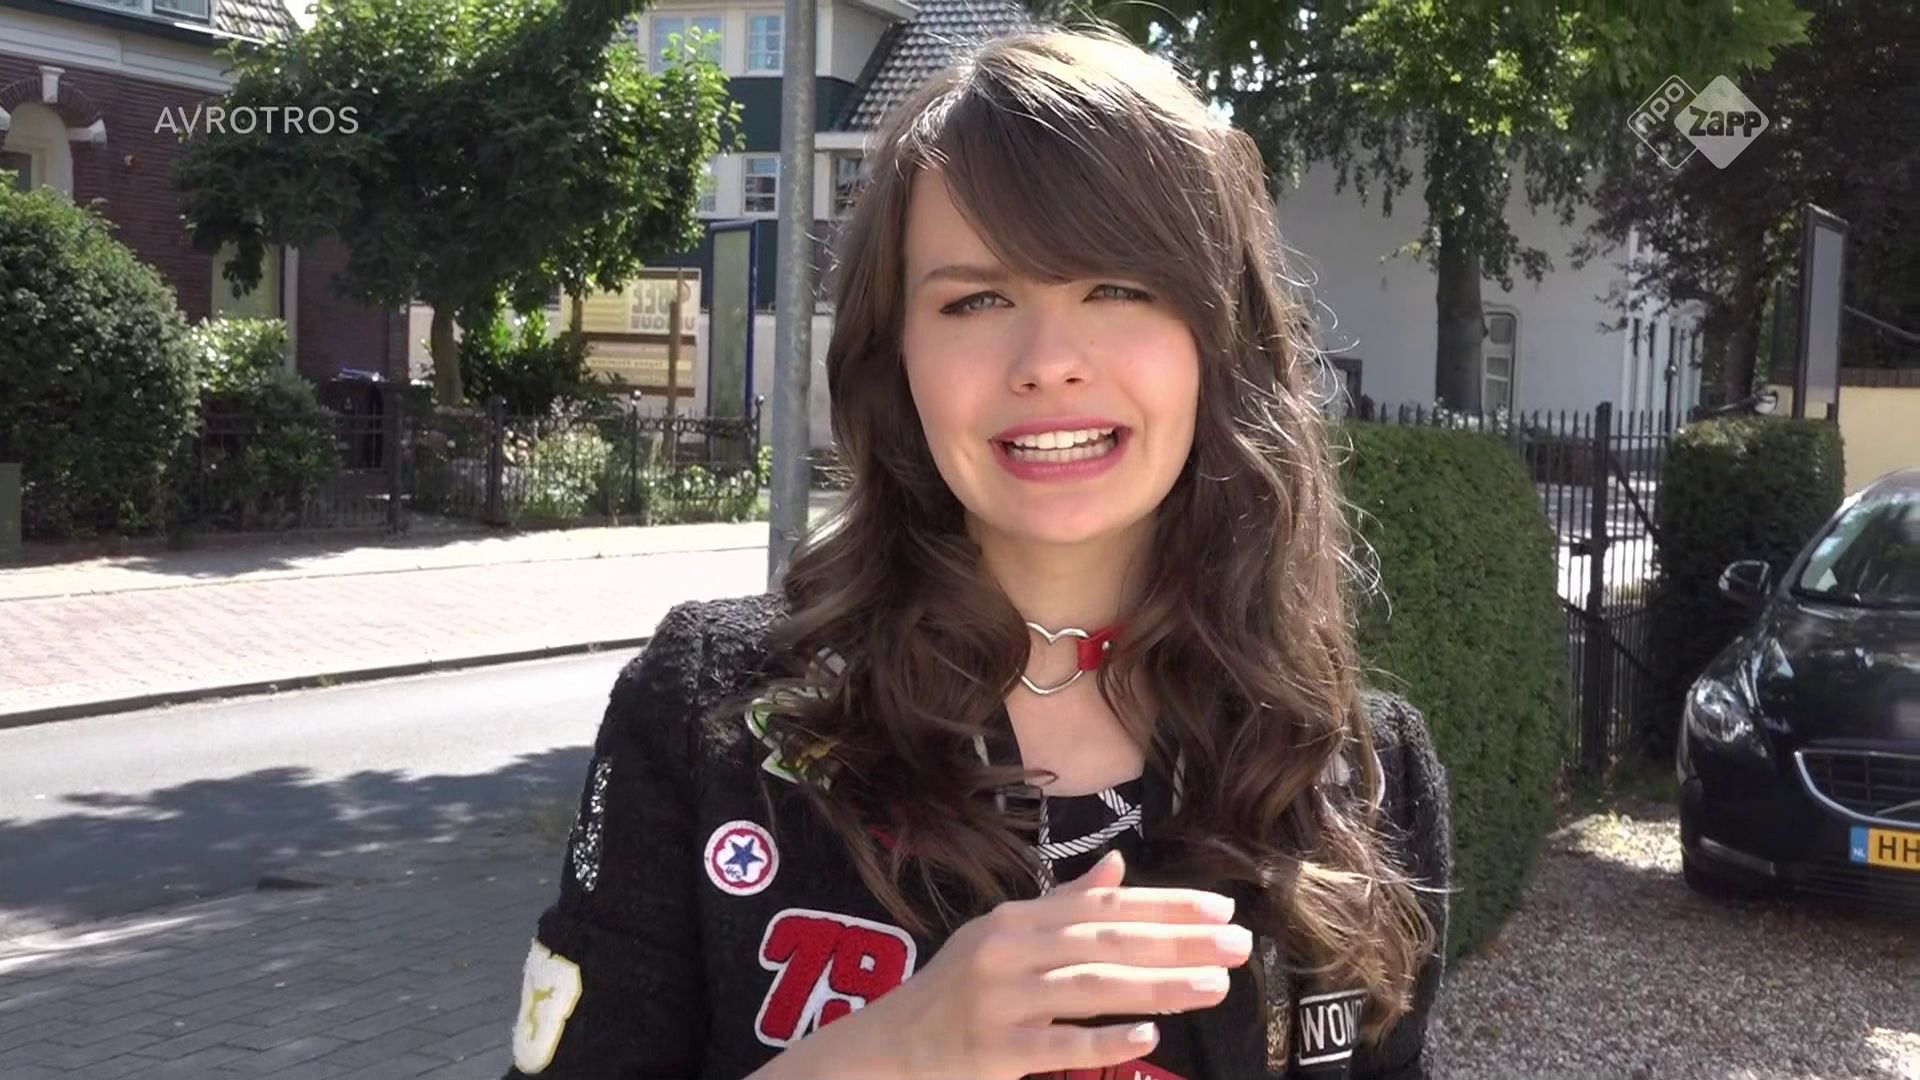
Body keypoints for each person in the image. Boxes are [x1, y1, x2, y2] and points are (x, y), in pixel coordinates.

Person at [503, 23, 1452, 1080]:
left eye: (1118, 289)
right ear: (895, 352)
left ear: (1221, 341)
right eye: (977, 299)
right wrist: (895, 1049)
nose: (1048, 362)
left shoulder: (1353, 769)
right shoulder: (712, 716)